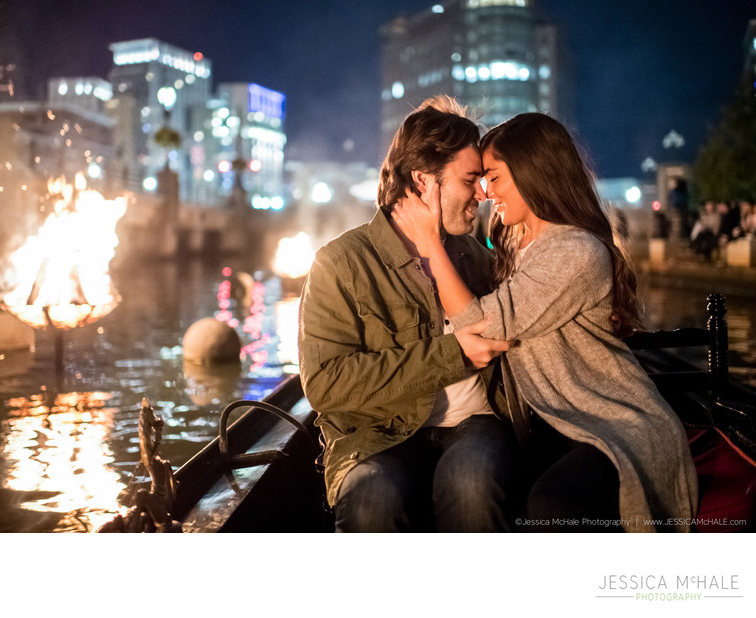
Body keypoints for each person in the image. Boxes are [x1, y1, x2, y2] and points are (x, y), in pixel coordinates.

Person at [393, 112, 698, 533]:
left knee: (550, 503)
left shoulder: (574, 250)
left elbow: (483, 325)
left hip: (609, 423)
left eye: (494, 177)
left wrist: (428, 243)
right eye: (479, 179)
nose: (484, 191)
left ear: (531, 174)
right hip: (557, 422)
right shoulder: (520, 245)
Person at [298, 97, 518, 532]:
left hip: (475, 423)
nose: (482, 193)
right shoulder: (341, 263)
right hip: (374, 434)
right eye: (469, 179)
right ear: (423, 180)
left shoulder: (475, 256)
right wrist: (452, 354)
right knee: (373, 496)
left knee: (473, 481)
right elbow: (325, 385)